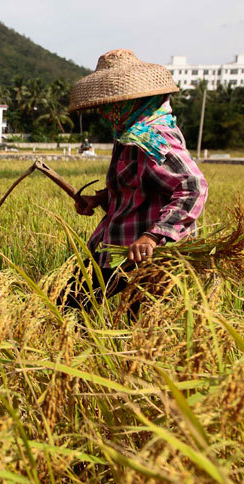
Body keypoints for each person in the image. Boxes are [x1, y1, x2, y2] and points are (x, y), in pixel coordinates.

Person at [61, 49, 208, 310]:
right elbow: (138, 183)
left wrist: (153, 237)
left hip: (151, 254)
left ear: (135, 101)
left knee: (139, 326)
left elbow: (193, 187)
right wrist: (98, 199)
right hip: (118, 243)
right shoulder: (129, 133)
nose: (106, 111)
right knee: (68, 303)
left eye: (112, 103)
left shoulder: (153, 136)